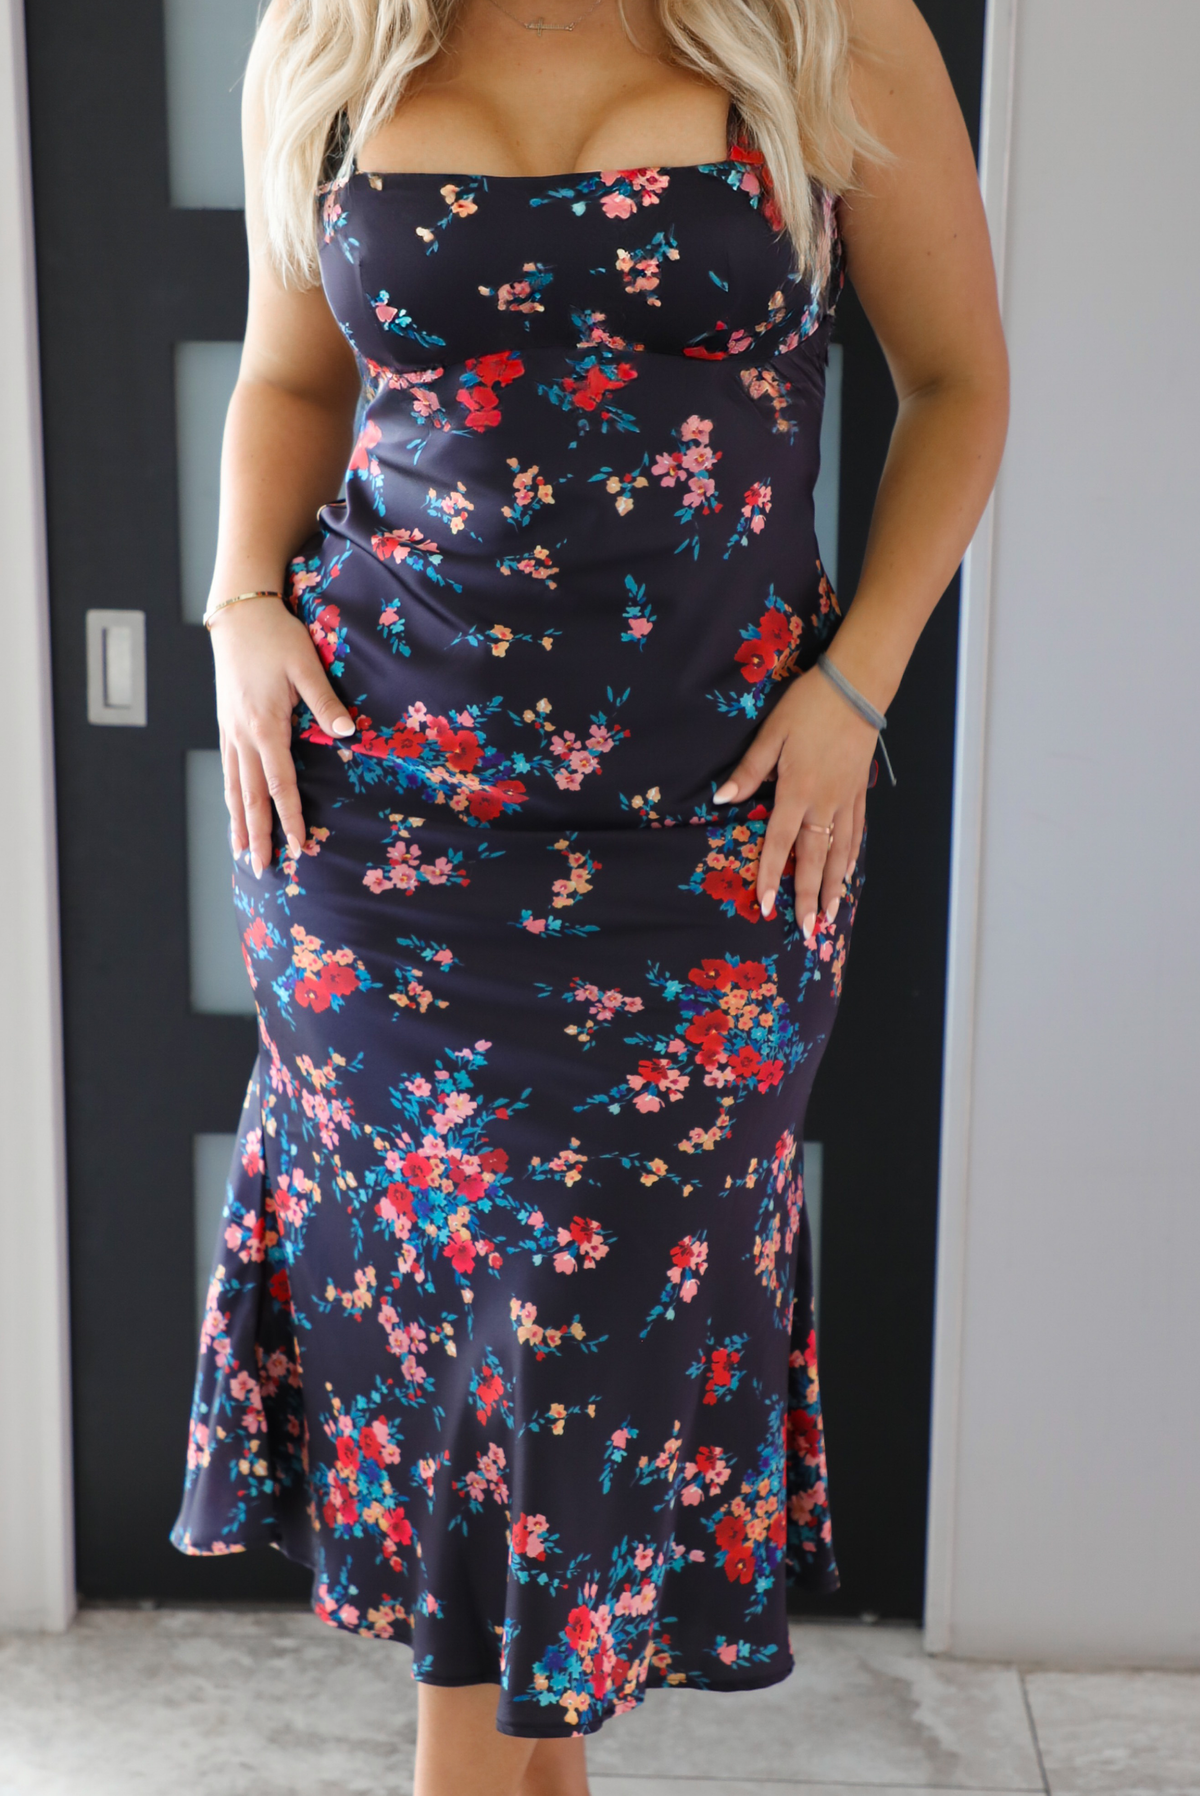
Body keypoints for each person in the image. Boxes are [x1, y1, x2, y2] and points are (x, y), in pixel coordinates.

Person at [170, 0, 1008, 1789]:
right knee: (464, 1379)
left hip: (715, 840)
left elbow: (960, 383)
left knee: (575, 1360)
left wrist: (856, 687)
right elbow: (295, 377)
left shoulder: (827, 30)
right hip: (381, 834)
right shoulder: (331, 35)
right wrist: (242, 603)